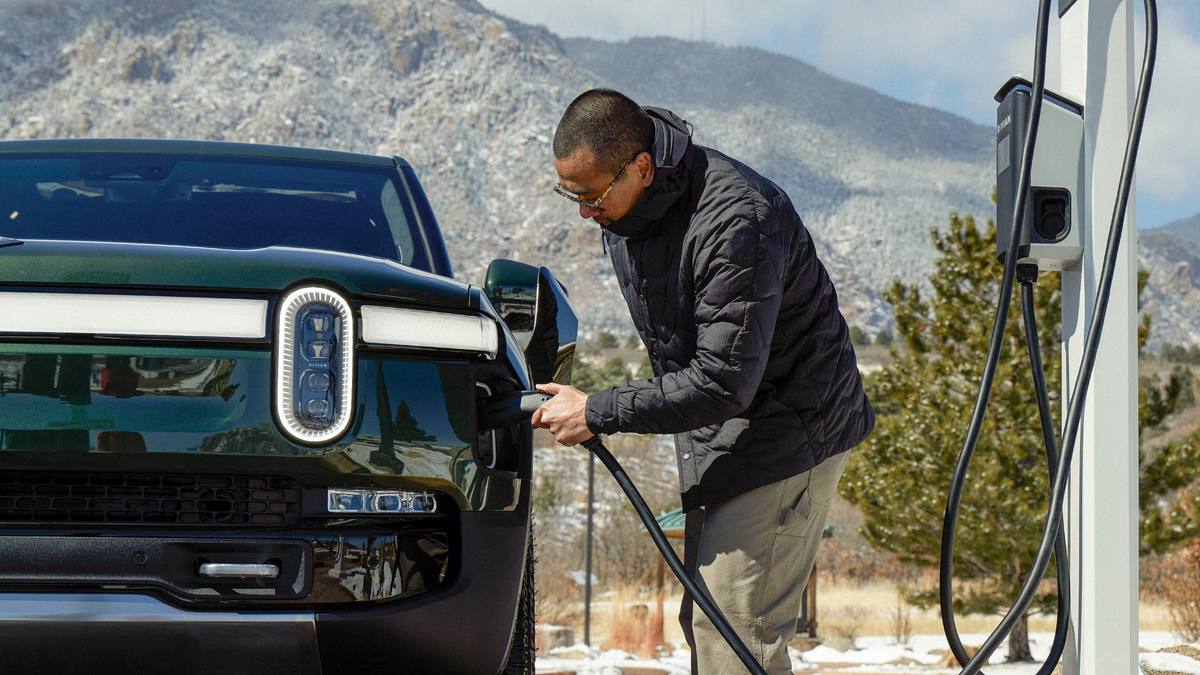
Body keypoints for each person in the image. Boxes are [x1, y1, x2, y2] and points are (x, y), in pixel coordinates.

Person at [532, 88, 874, 674]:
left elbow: (721, 380)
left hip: (789, 431)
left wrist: (597, 410)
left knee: (738, 632)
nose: (585, 214)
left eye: (591, 196)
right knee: (710, 624)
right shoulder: (630, 214)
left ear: (641, 167)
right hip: (726, 430)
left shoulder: (738, 218)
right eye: (573, 197)